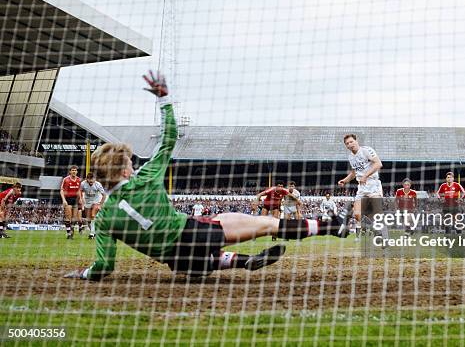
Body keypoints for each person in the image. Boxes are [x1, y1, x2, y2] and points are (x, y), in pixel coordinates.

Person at [64, 71, 350, 281]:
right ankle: (331, 227)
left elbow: (106, 265)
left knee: (203, 256)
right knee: (267, 223)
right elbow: (169, 138)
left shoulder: (102, 219)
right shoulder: (147, 177)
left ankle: (242, 261)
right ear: (125, 170)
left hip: (177, 261)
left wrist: (86, 272)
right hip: (195, 235)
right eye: (130, 162)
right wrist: (164, 99)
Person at [337, 134, 384, 239]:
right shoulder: (351, 157)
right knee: (357, 215)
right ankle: (370, 227)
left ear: (356, 141)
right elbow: (354, 172)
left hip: (373, 185)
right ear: (346, 146)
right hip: (362, 187)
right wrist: (344, 181)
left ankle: (379, 233)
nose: (350, 144)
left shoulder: (366, 150)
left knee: (376, 213)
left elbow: (378, 164)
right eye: (347, 143)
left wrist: (365, 176)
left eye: (351, 142)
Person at [80, 173, 106, 239]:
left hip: (96, 200)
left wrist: (100, 205)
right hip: (87, 201)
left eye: (92, 179)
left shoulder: (98, 184)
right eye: (89, 179)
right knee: (88, 220)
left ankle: (91, 234)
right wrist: (81, 199)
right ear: (86, 179)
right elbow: (79, 192)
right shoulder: (83, 184)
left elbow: (104, 195)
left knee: (93, 215)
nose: (91, 181)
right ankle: (94, 232)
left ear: (95, 179)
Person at [60, 165, 83, 239]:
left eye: (75, 170)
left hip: (75, 199)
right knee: (68, 217)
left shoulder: (79, 180)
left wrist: (80, 199)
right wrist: (64, 200)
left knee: (74, 218)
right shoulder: (66, 179)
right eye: (72, 170)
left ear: (77, 172)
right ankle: (69, 233)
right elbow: (62, 190)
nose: (74, 171)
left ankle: (71, 231)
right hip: (68, 199)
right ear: (70, 171)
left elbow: (79, 190)